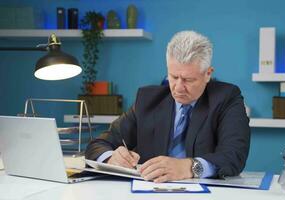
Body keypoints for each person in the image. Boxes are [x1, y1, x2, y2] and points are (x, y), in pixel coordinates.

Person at [85, 30, 250, 183]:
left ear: (208, 74)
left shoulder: (227, 98)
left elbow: (234, 155)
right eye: (173, 76)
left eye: (188, 80)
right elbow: (97, 145)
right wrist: (111, 158)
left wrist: (189, 167)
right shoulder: (147, 100)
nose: (178, 87)